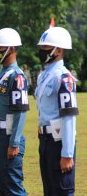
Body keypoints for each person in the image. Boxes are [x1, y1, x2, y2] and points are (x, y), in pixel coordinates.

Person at [35, 27, 78, 196]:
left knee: (62, 190)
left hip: (59, 142)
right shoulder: (44, 75)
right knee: (50, 190)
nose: (42, 52)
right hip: (45, 140)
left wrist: (67, 154)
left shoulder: (63, 77)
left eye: (46, 48)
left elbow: (68, 117)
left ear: (58, 50)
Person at [0, 28, 29, 196]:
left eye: (0, 49)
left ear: (12, 49)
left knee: (13, 187)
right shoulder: (0, 73)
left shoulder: (17, 76)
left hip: (9, 136)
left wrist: (14, 143)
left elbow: (20, 112)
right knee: (3, 186)